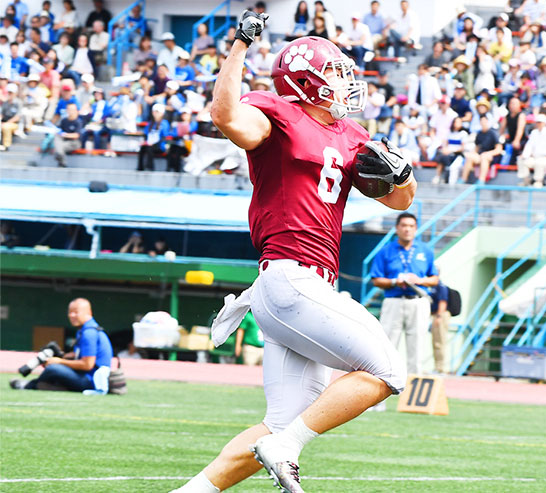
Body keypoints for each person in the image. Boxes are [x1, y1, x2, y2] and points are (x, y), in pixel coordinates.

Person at [172, 12, 415, 493]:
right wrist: (240, 45)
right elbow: (224, 116)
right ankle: (288, 448)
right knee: (387, 371)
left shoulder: (354, 137)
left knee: (278, 422)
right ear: (307, 83)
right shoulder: (278, 116)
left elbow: (400, 201)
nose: (347, 82)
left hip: (297, 287)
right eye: (336, 74)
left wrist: (404, 174)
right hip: (291, 278)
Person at [371, 212, 439, 375]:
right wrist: (395, 281)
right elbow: (376, 280)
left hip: (418, 300)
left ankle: (411, 391)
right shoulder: (386, 251)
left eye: (411, 226)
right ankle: (385, 384)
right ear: (397, 228)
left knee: (416, 346)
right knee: (388, 345)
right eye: (404, 226)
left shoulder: (425, 251)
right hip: (394, 300)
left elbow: (435, 279)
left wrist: (419, 280)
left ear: (416, 229)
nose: (407, 229)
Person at [10, 298, 113, 393]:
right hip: (86, 376)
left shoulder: (89, 333)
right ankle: (50, 385)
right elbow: (82, 356)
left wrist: (59, 361)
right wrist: (64, 356)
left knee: (53, 368)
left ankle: (30, 385)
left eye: (76, 312)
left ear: (89, 312)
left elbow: (88, 365)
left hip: (92, 381)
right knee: (55, 366)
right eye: (70, 312)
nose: (71, 315)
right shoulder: (85, 330)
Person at [428, 276, 450, 374]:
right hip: (436, 315)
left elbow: (443, 301)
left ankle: (440, 368)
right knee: (435, 342)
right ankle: (437, 367)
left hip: (440, 315)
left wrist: (439, 316)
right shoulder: (432, 287)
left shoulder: (440, 287)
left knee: (439, 342)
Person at [53, 102, 83, 167]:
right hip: (64, 142)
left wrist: (65, 135)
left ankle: (60, 157)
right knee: (57, 139)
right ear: (67, 110)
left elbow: (76, 135)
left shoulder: (78, 122)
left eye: (73, 110)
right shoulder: (64, 121)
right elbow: (59, 131)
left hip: (74, 143)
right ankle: (61, 159)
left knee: (59, 147)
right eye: (69, 109)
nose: (71, 111)